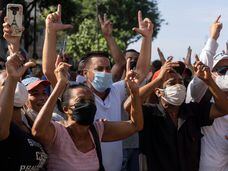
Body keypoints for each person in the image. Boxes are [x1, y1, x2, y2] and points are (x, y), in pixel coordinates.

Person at [42, 5, 153, 171]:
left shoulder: (115, 90)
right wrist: (50, 32)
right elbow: (49, 71)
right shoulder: (74, 93)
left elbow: (141, 72)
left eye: (108, 68)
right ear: (85, 73)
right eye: (99, 69)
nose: (106, 72)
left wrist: (147, 38)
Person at [31, 61, 143, 171]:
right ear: (66, 109)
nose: (88, 104)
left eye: (91, 101)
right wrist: (60, 84)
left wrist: (134, 92)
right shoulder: (57, 132)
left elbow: (136, 125)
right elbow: (38, 131)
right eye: (81, 100)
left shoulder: (97, 130)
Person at [125, 56, 228, 171]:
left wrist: (209, 81)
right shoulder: (148, 113)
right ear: (159, 92)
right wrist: (158, 79)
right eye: (172, 83)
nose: (178, 86)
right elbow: (128, 106)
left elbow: (223, 109)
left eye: (181, 82)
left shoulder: (192, 112)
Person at [186, 16, 228, 171]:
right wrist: (213, 38)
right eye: (222, 70)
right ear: (212, 73)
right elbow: (200, 77)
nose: (226, 74)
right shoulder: (201, 94)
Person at [0, 53, 48, 170]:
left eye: (18, 81)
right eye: (6, 84)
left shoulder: (29, 121)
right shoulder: (4, 126)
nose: (15, 86)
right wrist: (11, 78)